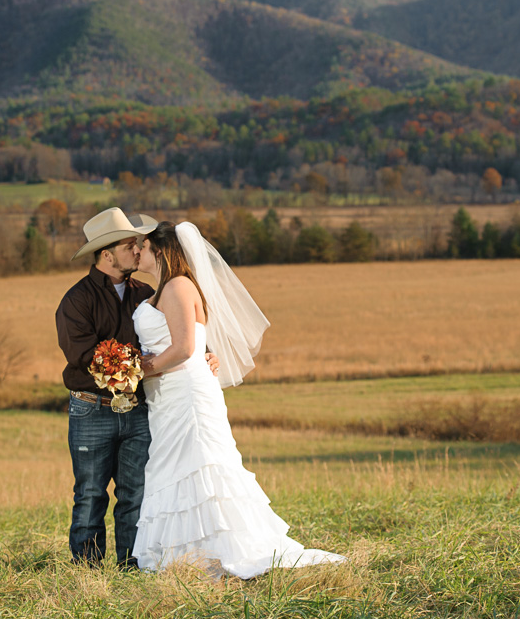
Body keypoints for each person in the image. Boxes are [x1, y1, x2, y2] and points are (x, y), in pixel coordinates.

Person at [131, 220, 345, 578]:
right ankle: (190, 554)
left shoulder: (179, 287)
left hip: (185, 393)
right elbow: (192, 342)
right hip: (168, 397)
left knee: (203, 464)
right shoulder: (164, 289)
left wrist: (141, 370)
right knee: (177, 467)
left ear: (160, 250)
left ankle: (222, 549)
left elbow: (184, 348)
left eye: (142, 246)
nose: (137, 251)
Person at [56, 207, 156, 568]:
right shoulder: (76, 300)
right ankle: (87, 571)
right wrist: (135, 364)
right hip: (91, 407)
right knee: (91, 493)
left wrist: (202, 355)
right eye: (130, 244)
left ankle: (132, 565)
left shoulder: (146, 293)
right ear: (106, 254)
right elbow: (83, 354)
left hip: (139, 410)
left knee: (135, 494)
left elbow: (170, 334)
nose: (138, 249)